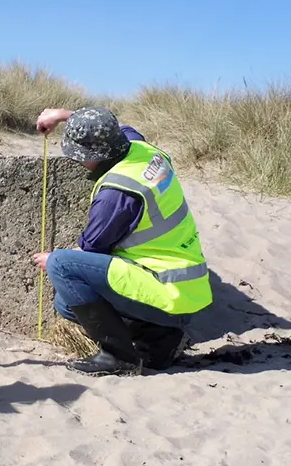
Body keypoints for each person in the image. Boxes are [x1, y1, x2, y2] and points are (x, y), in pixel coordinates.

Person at [31, 106, 212, 376]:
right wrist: (63, 115)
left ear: (94, 155)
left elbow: (90, 250)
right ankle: (158, 340)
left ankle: (119, 356)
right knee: (69, 277)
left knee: (63, 276)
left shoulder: (117, 193)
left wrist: (52, 261)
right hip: (187, 289)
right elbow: (115, 128)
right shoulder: (144, 151)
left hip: (166, 293)